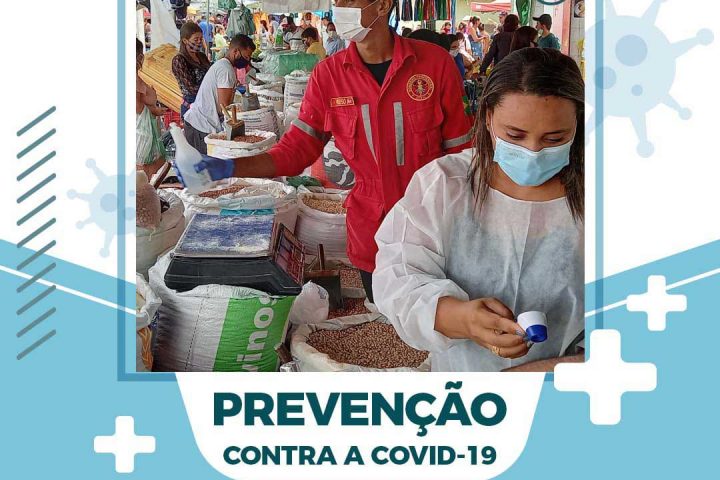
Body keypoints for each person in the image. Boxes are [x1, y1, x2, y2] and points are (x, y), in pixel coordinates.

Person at [182, 0, 472, 302]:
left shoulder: (434, 64)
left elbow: (463, 157)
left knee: (436, 320)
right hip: (372, 234)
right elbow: (295, 151)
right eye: (336, 2)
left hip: (433, 229)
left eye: (348, 1)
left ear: (383, 5)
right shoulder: (329, 76)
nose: (339, 7)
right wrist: (225, 167)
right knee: (385, 314)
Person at [373, 48, 584, 372]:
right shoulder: (444, 185)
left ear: (578, 125)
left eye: (555, 138)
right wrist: (461, 318)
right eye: (514, 135)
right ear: (486, 118)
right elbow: (398, 277)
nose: (533, 151)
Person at [182, 35, 255, 154]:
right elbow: (224, 108)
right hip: (200, 127)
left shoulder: (224, 65)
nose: (247, 61)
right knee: (205, 164)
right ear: (236, 52)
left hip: (199, 124)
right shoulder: (226, 69)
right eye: (246, 57)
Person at [136, 39, 167, 176]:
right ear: (140, 57)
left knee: (146, 171)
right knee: (143, 171)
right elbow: (137, 107)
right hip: (141, 132)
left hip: (144, 130)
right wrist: (154, 110)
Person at [172, 22, 211, 117]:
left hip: (207, 102)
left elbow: (211, 75)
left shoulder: (202, 56)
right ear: (185, 40)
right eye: (196, 39)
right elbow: (191, 88)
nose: (199, 42)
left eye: (201, 39)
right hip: (191, 106)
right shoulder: (179, 60)